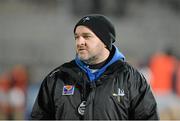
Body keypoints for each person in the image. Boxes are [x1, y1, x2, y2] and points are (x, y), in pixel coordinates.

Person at [31, 14, 159, 120]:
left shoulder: (131, 79)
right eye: (77, 37)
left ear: (105, 41)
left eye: (86, 36)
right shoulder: (58, 78)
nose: (80, 42)